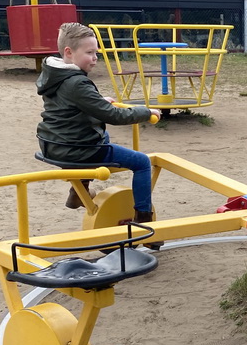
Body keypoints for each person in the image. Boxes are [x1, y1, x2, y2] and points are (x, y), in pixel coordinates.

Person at [36, 22, 157, 228]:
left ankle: (77, 192)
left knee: (103, 136)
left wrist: (98, 101)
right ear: (69, 52)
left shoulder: (53, 74)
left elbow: (72, 104)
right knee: (142, 162)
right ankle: (144, 218)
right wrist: (145, 112)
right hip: (77, 150)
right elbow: (114, 116)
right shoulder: (77, 83)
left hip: (52, 144)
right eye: (90, 52)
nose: (95, 58)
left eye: (96, 52)